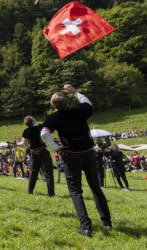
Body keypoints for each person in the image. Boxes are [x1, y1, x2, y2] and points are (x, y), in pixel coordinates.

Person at [40, 84, 112, 237]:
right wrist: (74, 92)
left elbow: (44, 133)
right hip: (88, 153)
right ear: (67, 101)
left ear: (54, 106)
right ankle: (107, 223)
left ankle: (86, 227)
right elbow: (88, 103)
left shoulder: (55, 117)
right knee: (96, 187)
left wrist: (56, 148)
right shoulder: (80, 111)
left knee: (75, 191)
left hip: (71, 155)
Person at [22, 116, 55, 196]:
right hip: (42, 151)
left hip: (33, 152)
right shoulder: (40, 128)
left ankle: (30, 191)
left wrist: (30, 146)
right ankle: (51, 193)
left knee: (33, 172)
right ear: (33, 120)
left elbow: (24, 142)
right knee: (48, 172)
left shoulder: (26, 131)